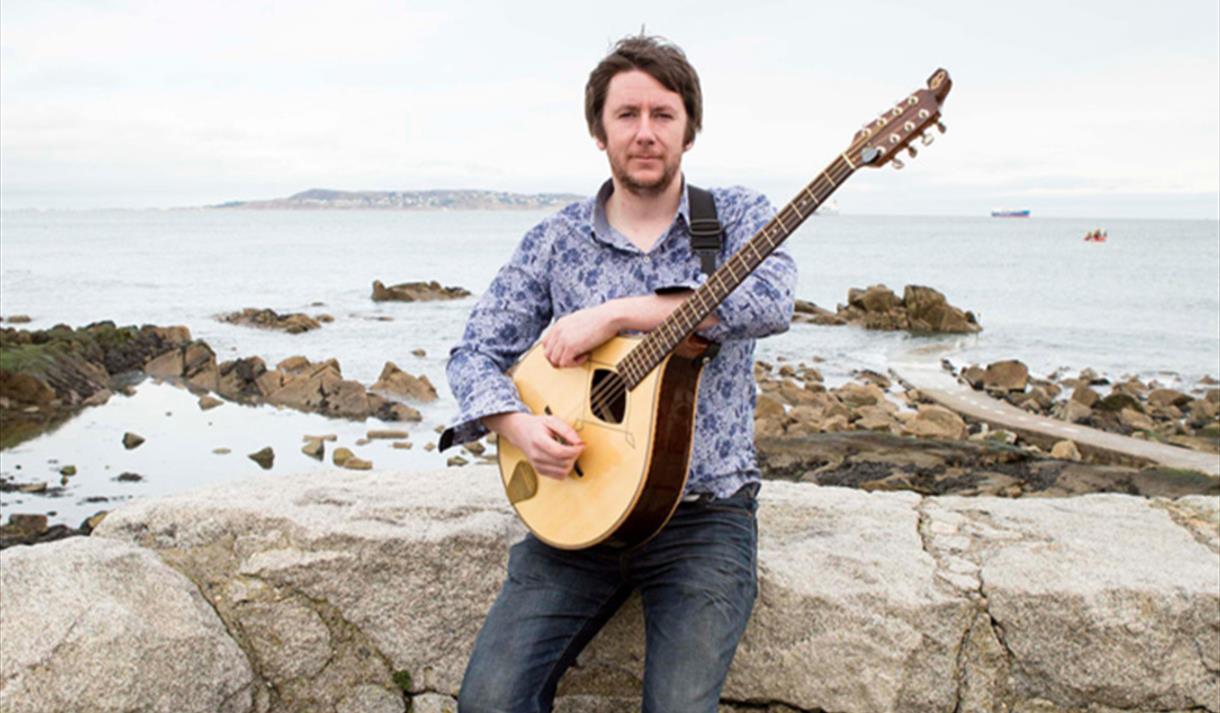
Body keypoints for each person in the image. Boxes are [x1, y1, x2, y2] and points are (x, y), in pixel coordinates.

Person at [441, 34, 797, 712]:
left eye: (663, 115)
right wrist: (516, 423)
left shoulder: (733, 220)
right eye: (626, 115)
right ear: (598, 132)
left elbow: (771, 302)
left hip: (704, 517)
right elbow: (473, 352)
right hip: (578, 513)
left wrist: (616, 315)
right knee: (488, 701)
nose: (645, 133)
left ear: (689, 129)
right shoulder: (556, 240)